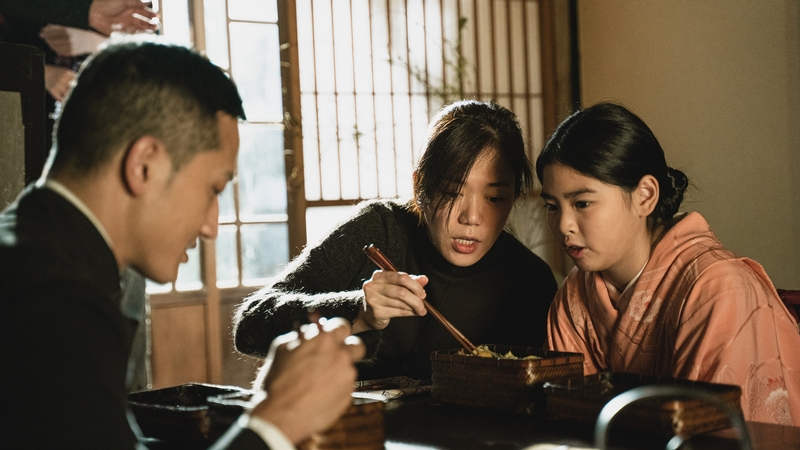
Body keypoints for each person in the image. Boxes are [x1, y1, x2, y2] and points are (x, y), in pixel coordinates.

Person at [0, 36, 364, 449]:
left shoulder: (41, 251)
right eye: (213, 189)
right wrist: (278, 420)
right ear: (145, 165)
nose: (211, 227)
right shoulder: (50, 301)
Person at [234, 100, 558, 381]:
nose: (472, 217)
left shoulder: (528, 281)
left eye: (495, 198)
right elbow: (250, 328)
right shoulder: (380, 229)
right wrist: (358, 312)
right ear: (420, 187)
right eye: (451, 193)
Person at [536, 102, 800, 425]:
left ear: (645, 195)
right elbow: (566, 416)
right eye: (552, 207)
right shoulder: (574, 295)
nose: (564, 225)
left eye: (582, 203)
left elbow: (714, 431)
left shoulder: (717, 287)